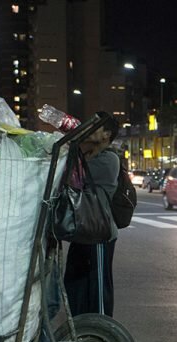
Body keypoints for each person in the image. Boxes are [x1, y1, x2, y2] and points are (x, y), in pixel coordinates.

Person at [63, 112, 120, 316]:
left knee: (97, 291)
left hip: (98, 232)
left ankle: (101, 335)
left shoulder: (108, 159)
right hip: (83, 230)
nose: (89, 129)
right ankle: (80, 330)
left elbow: (70, 175)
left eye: (96, 127)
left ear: (107, 134)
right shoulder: (88, 156)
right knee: (75, 285)